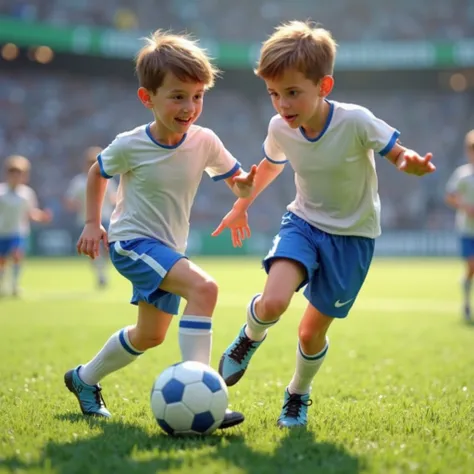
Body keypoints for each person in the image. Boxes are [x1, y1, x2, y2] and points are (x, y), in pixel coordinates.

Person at [214, 21, 435, 428]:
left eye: (293, 92)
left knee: (309, 333)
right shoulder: (280, 126)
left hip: (353, 238)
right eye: (274, 94)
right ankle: (249, 336)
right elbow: (269, 166)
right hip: (303, 222)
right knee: (274, 302)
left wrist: (411, 164)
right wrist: (241, 204)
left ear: (324, 87)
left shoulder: (356, 121)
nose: (283, 104)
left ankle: (297, 394)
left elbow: (397, 153)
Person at [64, 30, 257, 429]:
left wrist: (245, 189)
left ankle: (83, 379)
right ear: (147, 98)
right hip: (132, 242)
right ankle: (207, 392)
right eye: (177, 96)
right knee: (205, 289)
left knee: (150, 335)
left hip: (170, 247)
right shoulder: (130, 144)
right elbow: (97, 172)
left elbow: (236, 178)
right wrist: (91, 222)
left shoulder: (205, 140)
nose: (190, 107)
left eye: (198, 96)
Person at [65, 146, 117, 288]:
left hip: (105, 219)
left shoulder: (107, 179)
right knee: (94, 250)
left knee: (107, 249)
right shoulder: (79, 182)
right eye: (90, 162)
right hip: (86, 221)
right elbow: (70, 201)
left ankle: (103, 272)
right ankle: (100, 275)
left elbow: (114, 198)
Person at [0, 155, 52, 296]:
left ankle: (15, 285)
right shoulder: (1, 192)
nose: (16, 177)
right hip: (2, 231)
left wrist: (42, 216)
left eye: (20, 174)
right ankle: (2, 284)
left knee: (17, 255)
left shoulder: (27, 194)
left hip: (18, 231)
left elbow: (31, 212)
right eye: (13, 174)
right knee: (2, 260)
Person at [445, 129, 474, 322]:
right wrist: (465, 207)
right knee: (472, 266)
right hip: (467, 229)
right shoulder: (463, 175)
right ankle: (466, 302)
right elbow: (450, 196)